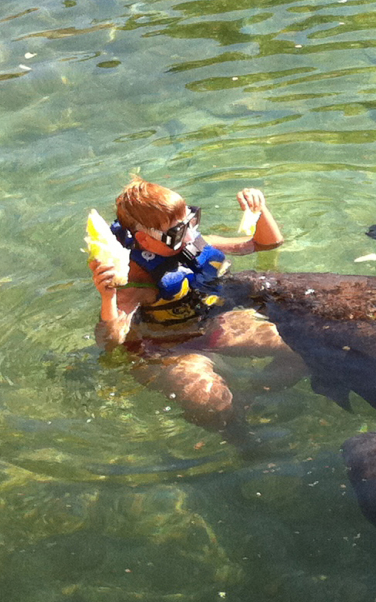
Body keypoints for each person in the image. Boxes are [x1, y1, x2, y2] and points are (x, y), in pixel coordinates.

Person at [88, 177, 306, 436]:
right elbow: (110, 343)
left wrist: (261, 212)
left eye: (191, 220)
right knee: (212, 403)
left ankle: (254, 395)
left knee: (303, 343)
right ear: (145, 241)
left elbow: (266, 244)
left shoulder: (195, 245)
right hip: (168, 349)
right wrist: (108, 297)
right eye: (177, 233)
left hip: (213, 325)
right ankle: (239, 439)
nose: (190, 234)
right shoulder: (137, 281)